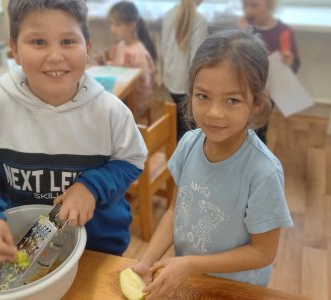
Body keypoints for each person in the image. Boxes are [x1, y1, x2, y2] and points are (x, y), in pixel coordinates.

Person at [0, 0, 147, 263]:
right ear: (14, 49)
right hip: (23, 248)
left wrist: (91, 187)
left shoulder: (110, 111)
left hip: (98, 249)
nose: (55, 56)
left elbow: (132, 159)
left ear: (87, 48)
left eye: (67, 42)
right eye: (39, 42)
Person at [128, 29, 293, 299]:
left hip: (236, 289)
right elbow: (174, 211)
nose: (214, 113)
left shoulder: (263, 173)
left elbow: (263, 252)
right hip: (190, 280)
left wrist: (192, 263)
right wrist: (146, 261)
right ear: (190, 93)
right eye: (203, 96)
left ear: (256, 103)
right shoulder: (188, 144)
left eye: (232, 100)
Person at [238, 0, 300, 143]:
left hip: (267, 92)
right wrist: (241, 34)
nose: (248, 11)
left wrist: (289, 62)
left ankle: (257, 157)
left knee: (259, 129)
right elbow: (235, 58)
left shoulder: (283, 32)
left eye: (254, 5)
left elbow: (294, 65)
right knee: (240, 124)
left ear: (270, 6)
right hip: (244, 87)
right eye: (245, 5)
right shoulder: (245, 27)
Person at [95, 1, 156, 118]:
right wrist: (103, 63)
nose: (113, 29)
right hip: (122, 94)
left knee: (102, 109)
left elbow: (146, 83)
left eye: (117, 25)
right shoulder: (121, 45)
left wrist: (131, 75)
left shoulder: (139, 52)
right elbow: (115, 71)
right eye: (111, 24)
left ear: (132, 26)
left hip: (134, 100)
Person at [161, 0, 207, 141]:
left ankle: (177, 150)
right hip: (186, 83)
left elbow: (163, 49)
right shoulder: (199, 20)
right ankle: (187, 153)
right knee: (188, 123)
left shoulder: (168, 15)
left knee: (180, 117)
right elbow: (197, 59)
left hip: (170, 78)